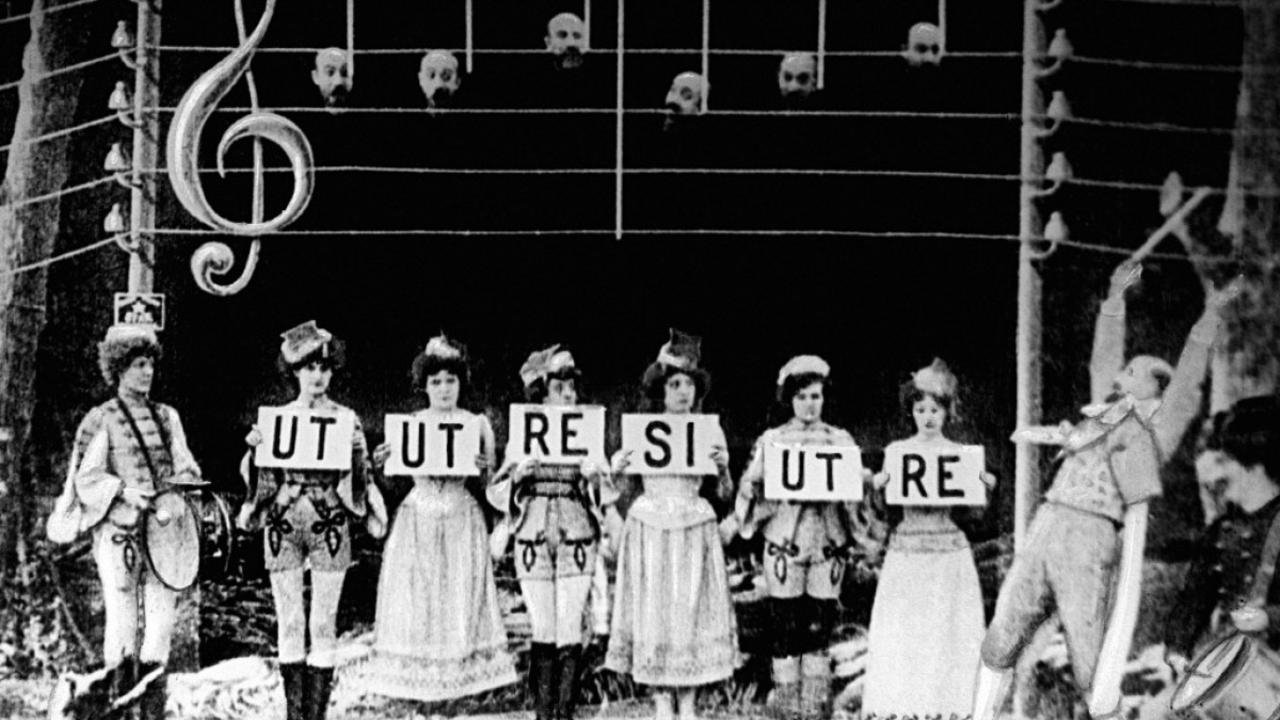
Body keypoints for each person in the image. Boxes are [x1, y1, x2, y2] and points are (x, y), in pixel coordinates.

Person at [973, 265, 1236, 719]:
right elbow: (1103, 359)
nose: (1121, 376)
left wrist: (1210, 315)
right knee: (1002, 634)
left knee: (1089, 656)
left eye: (1133, 372)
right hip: (1050, 520)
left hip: (1091, 533)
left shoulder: (1160, 426)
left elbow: (1189, 377)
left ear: (1156, 388)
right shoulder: (1103, 414)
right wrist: (1115, 298)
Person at [356, 336, 519, 706]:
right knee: (418, 598)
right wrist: (383, 466)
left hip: (462, 517)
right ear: (424, 386)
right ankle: (420, 692)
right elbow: (394, 483)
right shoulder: (411, 425)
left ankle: (457, 690)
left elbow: (492, 487)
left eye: (451, 380)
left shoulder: (476, 425)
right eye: (436, 381)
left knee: (459, 597)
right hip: (418, 517)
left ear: (461, 383)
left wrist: (485, 468)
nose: (444, 389)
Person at [237, 321, 385, 720]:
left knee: (323, 621)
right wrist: (253, 451)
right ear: (295, 372)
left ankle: (316, 715)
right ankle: (294, 714)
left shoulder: (346, 419)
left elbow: (362, 477)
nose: (317, 376)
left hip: (329, 522)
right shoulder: (277, 419)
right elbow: (259, 476)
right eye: (308, 368)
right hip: (284, 521)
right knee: (289, 620)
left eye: (324, 368)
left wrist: (361, 458)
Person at [68, 324, 204, 720]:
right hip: (120, 533)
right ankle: (119, 709)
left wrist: (184, 484)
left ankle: (151, 710)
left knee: (161, 620)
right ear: (118, 369)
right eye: (137, 365)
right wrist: (123, 491)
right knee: (121, 618)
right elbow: (86, 478)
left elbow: (185, 465)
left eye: (150, 365)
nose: (147, 373)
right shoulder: (101, 419)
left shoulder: (167, 417)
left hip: (163, 532)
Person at [605, 329, 740, 720]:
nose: (683, 392)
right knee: (656, 612)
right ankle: (662, 699)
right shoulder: (644, 431)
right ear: (661, 391)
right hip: (651, 526)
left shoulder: (708, 430)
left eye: (689, 385)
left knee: (688, 614)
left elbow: (725, 493)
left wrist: (723, 468)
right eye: (674, 385)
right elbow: (621, 487)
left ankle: (689, 702)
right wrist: (617, 469)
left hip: (694, 525)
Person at [733, 355, 872, 718]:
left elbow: (856, 492)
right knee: (785, 623)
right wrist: (754, 484)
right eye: (802, 397)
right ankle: (787, 704)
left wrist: (861, 483)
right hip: (785, 542)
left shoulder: (839, 440)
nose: (809, 404)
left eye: (816, 396)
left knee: (819, 624)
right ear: (789, 399)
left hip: (828, 542)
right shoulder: (774, 440)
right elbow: (750, 488)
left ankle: (813, 704)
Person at [862, 359, 995, 718]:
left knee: (945, 629)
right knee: (906, 629)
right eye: (921, 409)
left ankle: (947, 707)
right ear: (911, 412)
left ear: (947, 412)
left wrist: (983, 487)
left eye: (935, 409)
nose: (928, 417)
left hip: (948, 549)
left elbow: (976, 513)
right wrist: (877, 487)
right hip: (908, 547)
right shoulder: (897, 451)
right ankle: (904, 708)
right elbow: (884, 508)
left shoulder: (959, 455)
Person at [487, 345, 609, 720]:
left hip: (576, 530)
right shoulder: (525, 435)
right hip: (533, 532)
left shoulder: (587, 434)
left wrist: (594, 477)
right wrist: (518, 476)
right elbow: (497, 489)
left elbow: (606, 492)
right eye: (559, 389)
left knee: (570, 624)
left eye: (572, 388)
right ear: (542, 395)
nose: (568, 396)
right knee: (543, 626)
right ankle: (544, 713)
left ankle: (564, 712)